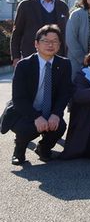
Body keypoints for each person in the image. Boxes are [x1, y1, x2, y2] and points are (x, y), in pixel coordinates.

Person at [0, 25, 73, 165]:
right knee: (27, 129)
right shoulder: (24, 65)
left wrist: (56, 114)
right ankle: (19, 151)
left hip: (49, 110)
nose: (50, 45)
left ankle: (43, 148)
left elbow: (65, 93)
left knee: (59, 126)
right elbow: (19, 99)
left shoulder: (64, 64)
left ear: (59, 44)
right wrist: (36, 117)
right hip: (24, 111)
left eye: (55, 41)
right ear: (36, 44)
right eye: (46, 41)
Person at [11, 0, 70, 66]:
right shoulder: (25, 5)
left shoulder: (63, 6)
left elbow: (66, 34)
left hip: (57, 59)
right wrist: (16, 57)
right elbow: (17, 33)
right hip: (31, 57)